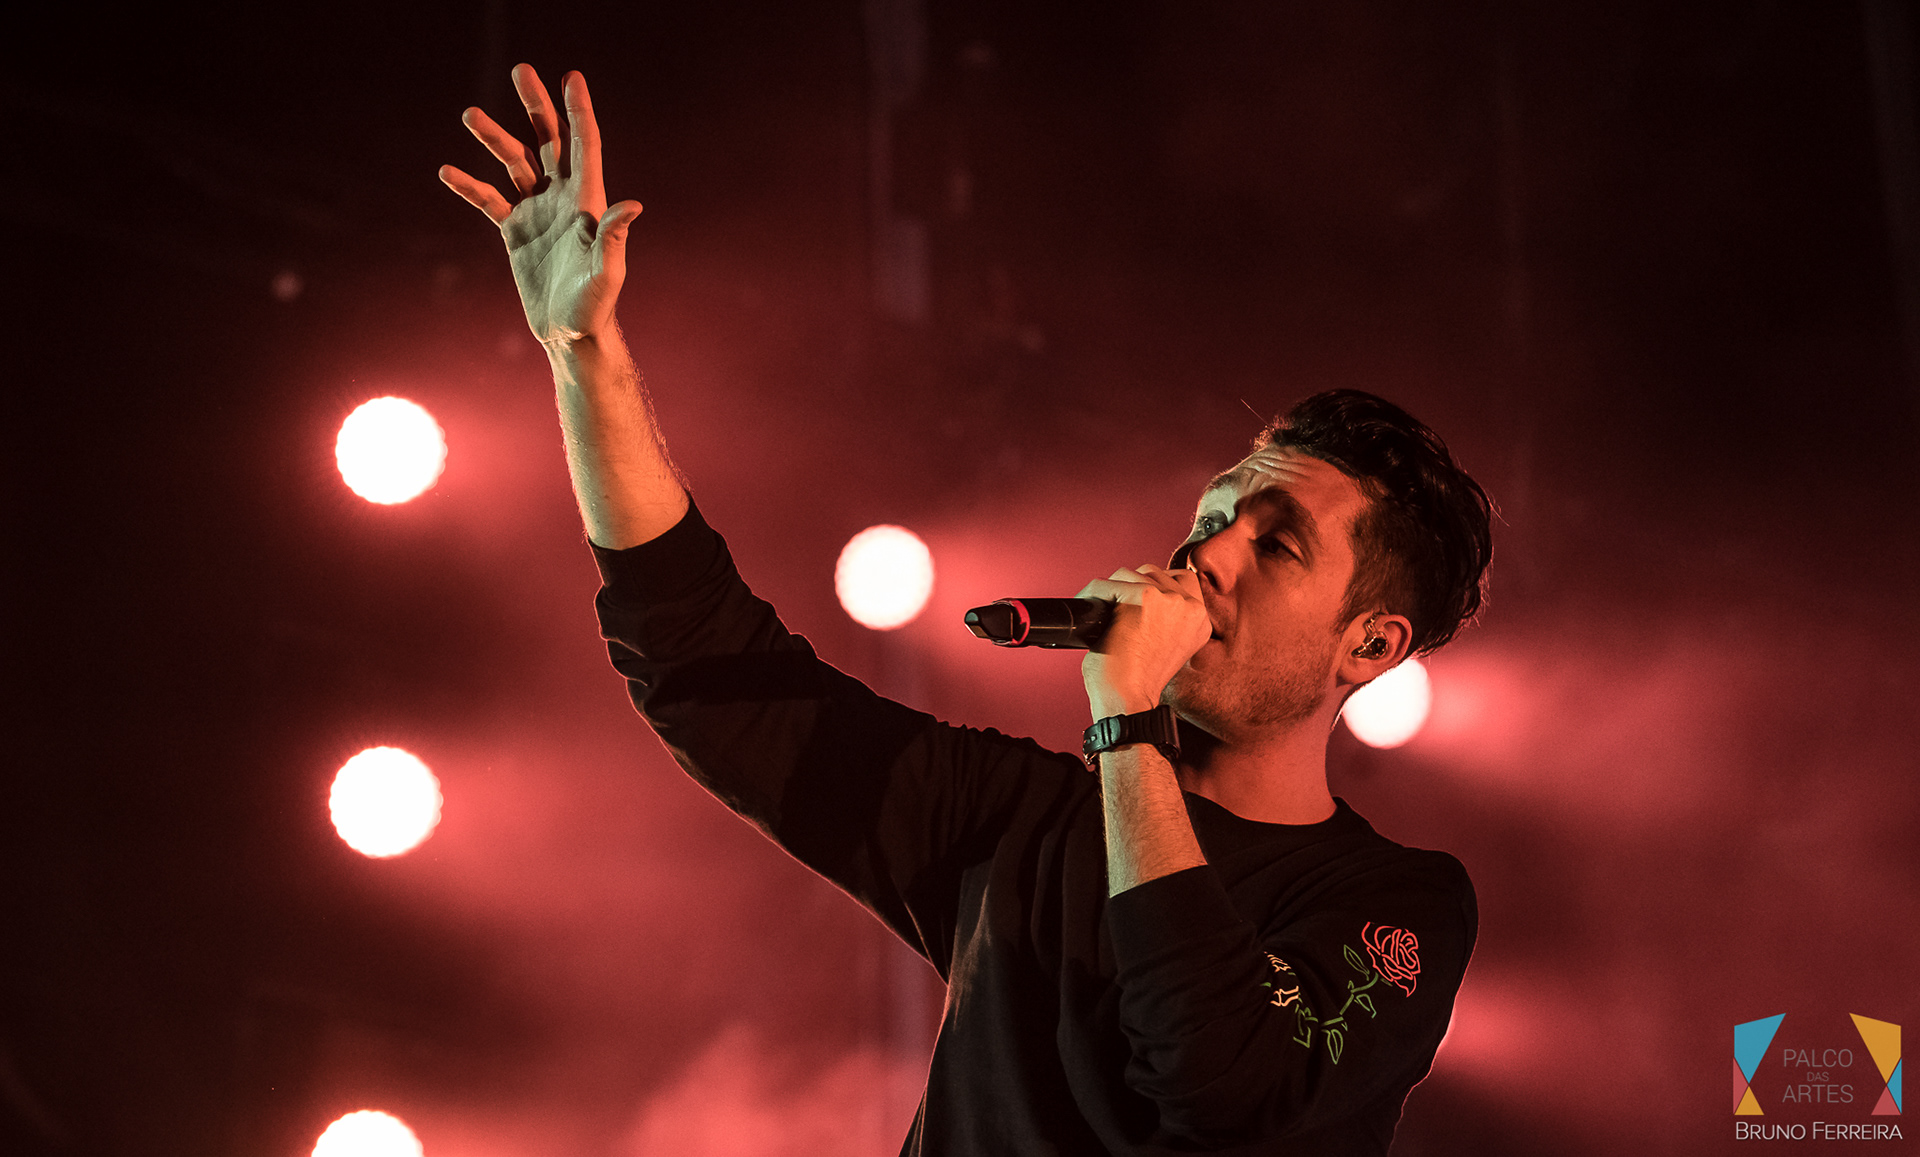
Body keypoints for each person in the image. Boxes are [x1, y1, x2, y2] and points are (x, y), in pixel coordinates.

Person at [443, 64, 1494, 1156]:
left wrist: (1128, 725)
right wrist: (584, 353)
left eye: (1275, 543)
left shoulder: (1395, 904)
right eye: (1216, 511)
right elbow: (712, 675)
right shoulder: (1017, 820)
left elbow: (1214, 1074)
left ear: (1370, 643)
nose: (1208, 551)